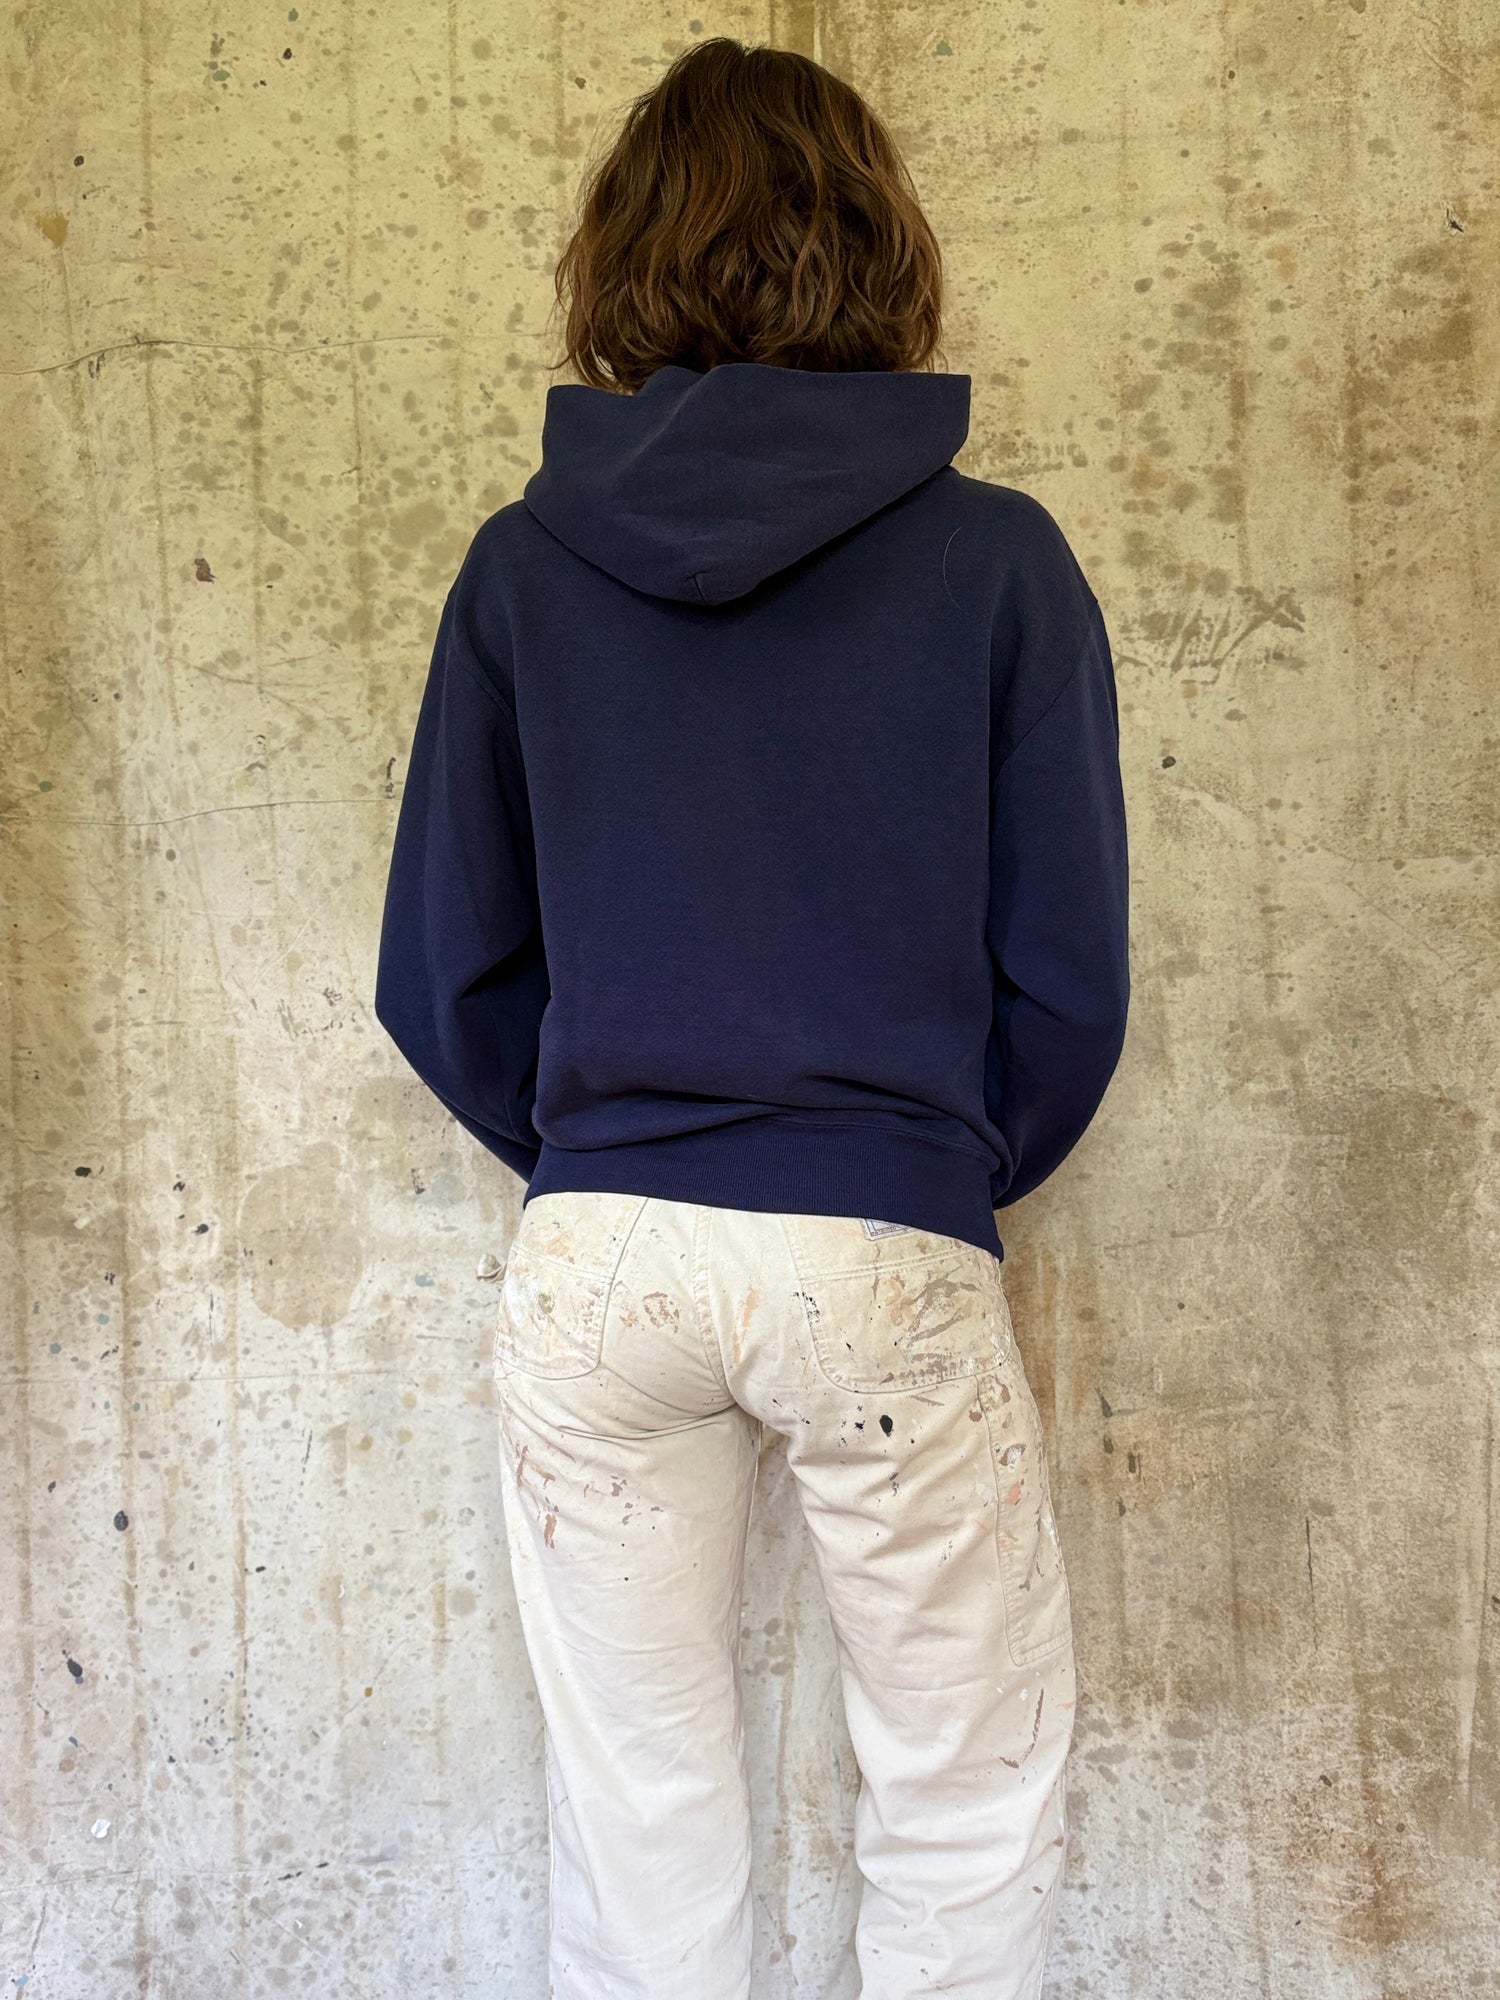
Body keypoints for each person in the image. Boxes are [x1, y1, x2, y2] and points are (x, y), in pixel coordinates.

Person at [374, 35, 1129, 2000]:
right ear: (884, 246)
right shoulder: (999, 563)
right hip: (881, 1236)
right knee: (962, 1790)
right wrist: (915, 1165)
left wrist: (610, 1148)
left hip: (601, 1253)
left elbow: (442, 971)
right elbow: (1068, 981)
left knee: (636, 1814)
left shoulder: (521, 571)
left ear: (618, 255)